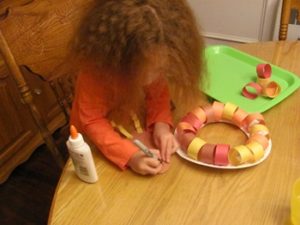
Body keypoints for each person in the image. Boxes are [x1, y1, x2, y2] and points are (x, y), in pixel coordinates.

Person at [70, 0, 205, 175]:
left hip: (132, 120)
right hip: (96, 137)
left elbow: (158, 92)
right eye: (144, 72)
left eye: (160, 70)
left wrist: (161, 125)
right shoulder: (95, 70)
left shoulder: (156, 50)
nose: (151, 79)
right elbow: (92, 121)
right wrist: (130, 155)